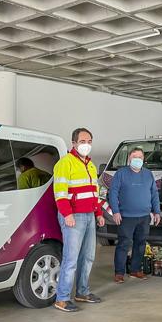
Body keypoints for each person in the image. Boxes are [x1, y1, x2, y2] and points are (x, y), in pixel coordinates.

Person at [52, 128, 105, 312]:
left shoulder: (90, 164)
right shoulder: (64, 163)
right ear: (73, 143)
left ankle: (82, 292)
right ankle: (62, 298)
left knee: (88, 257)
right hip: (73, 217)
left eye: (89, 141)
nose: (86, 145)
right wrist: (67, 214)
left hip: (89, 215)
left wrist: (98, 214)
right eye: (82, 141)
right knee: (71, 259)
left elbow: (94, 192)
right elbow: (60, 193)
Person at [109, 148, 162, 283]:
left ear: (143, 159)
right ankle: (119, 273)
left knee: (140, 244)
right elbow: (113, 193)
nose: (137, 159)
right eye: (134, 157)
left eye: (140, 157)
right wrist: (115, 211)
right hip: (126, 216)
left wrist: (157, 211)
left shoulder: (148, 174)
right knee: (123, 244)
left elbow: (154, 194)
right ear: (129, 159)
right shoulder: (121, 174)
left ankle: (135, 270)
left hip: (144, 216)